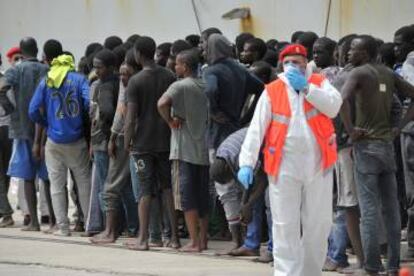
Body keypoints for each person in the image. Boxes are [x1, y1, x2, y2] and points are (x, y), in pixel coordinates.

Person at [238, 44, 342, 276]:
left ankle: (310, 272)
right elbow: (257, 128)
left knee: (318, 223)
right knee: (285, 225)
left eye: (298, 62)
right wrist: (247, 162)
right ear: (281, 65)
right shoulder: (273, 90)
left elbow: (334, 107)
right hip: (283, 166)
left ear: (306, 63)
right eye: (288, 62)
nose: (293, 66)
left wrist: (307, 89)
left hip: (318, 164)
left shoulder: (319, 83)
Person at [340, 35, 414, 276]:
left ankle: (372, 265)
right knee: (391, 209)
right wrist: (399, 125)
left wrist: (351, 130)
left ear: (366, 52)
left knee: (369, 210)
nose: (349, 52)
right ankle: (393, 265)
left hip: (366, 147)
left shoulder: (358, 73)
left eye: (354, 49)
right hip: (386, 147)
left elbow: (342, 101)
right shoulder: (388, 74)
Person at [203, 33, 264, 252]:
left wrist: (214, 110)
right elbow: (261, 89)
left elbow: (209, 90)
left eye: (205, 46)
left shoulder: (210, 70)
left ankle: (237, 239)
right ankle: (252, 239)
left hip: (218, 135)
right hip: (238, 131)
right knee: (247, 187)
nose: (203, 50)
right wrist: (247, 116)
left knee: (225, 190)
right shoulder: (240, 69)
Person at [29, 45, 91, 236]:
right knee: (84, 183)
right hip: (77, 140)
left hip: (54, 142)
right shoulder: (80, 79)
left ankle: (63, 228)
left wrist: (46, 122)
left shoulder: (46, 81)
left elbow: (32, 110)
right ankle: (91, 225)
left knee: (57, 185)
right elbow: (89, 104)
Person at [124, 36, 179, 251]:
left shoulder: (135, 81)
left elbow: (130, 119)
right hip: (166, 142)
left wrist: (127, 142)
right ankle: (173, 238)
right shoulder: (169, 75)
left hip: (142, 145)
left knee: (145, 192)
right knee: (167, 189)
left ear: (137, 54)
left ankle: (143, 239)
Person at [157, 49, 210, 252]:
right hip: (203, 150)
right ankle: (203, 240)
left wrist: (170, 121)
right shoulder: (205, 85)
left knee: (187, 197)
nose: (174, 66)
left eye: (177, 64)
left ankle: (194, 242)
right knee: (203, 196)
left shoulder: (179, 86)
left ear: (185, 66)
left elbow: (162, 103)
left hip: (183, 150)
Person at [0, 37, 49, 231]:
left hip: (22, 130)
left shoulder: (16, 70)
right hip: (45, 130)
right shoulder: (46, 69)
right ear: (37, 50)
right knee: (47, 176)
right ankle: (53, 219)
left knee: (27, 177)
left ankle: (34, 222)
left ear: (22, 51)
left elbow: (2, 88)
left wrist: (11, 108)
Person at [90, 57, 140, 244]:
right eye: (121, 74)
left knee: (110, 186)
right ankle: (136, 229)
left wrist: (112, 137)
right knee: (131, 188)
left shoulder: (128, 90)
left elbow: (120, 115)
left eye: (126, 74)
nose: (122, 78)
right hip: (138, 140)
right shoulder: (140, 83)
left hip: (123, 139)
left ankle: (110, 232)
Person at [210, 127, 269, 259]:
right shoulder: (222, 155)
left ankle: (270, 248)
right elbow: (247, 182)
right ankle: (250, 246)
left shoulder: (237, 156)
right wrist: (244, 204)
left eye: (229, 178)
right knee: (251, 203)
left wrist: (247, 204)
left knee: (267, 201)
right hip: (257, 152)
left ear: (227, 168)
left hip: (272, 145)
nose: (231, 181)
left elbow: (263, 179)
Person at [87, 49, 119, 234]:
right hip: (106, 141)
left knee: (105, 187)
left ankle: (109, 228)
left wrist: (105, 135)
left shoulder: (103, 86)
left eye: (99, 67)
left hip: (102, 142)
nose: (96, 71)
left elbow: (105, 111)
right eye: (95, 67)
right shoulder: (119, 83)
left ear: (110, 67)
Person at [394, 25, 414, 261]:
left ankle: (412, 246)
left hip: (411, 132)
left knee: (411, 190)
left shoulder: (409, 63)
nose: (396, 48)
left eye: (400, 43)